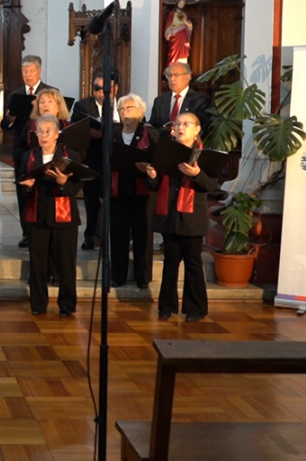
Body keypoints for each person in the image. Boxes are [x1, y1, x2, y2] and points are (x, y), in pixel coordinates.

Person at [139, 112, 216, 322]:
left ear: (197, 129)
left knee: (193, 263)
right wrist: (152, 176)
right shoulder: (165, 151)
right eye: (177, 124)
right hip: (169, 215)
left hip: (192, 217)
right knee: (170, 262)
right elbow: (154, 185)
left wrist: (196, 175)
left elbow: (211, 185)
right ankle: (167, 306)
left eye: (186, 124)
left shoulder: (205, 155)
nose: (180, 127)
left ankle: (195, 309)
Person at [16, 116, 83, 317]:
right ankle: (38, 304)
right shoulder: (28, 157)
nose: (43, 135)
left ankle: (67, 304)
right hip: (37, 216)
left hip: (64, 216)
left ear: (57, 134)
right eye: (40, 131)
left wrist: (64, 183)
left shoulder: (71, 156)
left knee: (66, 264)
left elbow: (77, 187)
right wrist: (28, 188)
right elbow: (22, 187)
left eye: (48, 131)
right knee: (37, 264)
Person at [2, 56, 56, 248]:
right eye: (25, 71)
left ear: (39, 71)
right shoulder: (15, 94)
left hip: (46, 149)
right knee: (23, 192)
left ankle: (48, 228)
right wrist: (10, 119)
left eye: (31, 71)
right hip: (23, 150)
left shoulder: (50, 92)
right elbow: (5, 125)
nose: (28, 74)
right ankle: (27, 232)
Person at [109, 94, 159, 289]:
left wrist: (149, 169)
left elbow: (157, 160)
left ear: (140, 111)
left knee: (142, 233)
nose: (125, 112)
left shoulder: (151, 134)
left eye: (130, 108)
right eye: (122, 109)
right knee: (118, 233)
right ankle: (118, 275)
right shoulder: (113, 133)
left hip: (142, 190)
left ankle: (142, 277)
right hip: (118, 188)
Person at [71, 71, 119, 250]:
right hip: (92, 158)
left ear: (115, 89)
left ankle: (116, 236)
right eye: (97, 88)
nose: (101, 92)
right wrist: (88, 132)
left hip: (115, 158)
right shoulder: (82, 106)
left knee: (115, 200)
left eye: (105, 88)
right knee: (92, 199)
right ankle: (91, 235)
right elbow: (74, 129)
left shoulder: (124, 105)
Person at [149, 62, 212, 132]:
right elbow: (153, 126)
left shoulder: (200, 100)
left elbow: (202, 127)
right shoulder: (159, 100)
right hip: (163, 138)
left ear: (187, 77)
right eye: (169, 75)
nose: (172, 79)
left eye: (176, 75)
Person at [164, 0, 193, 66]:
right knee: (173, 51)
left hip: (184, 36)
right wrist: (169, 30)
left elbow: (190, 26)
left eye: (183, 4)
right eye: (180, 3)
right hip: (175, 36)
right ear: (177, 4)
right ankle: (172, 65)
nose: (181, 5)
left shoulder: (186, 14)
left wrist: (186, 22)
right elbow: (168, 25)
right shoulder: (172, 14)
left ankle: (182, 65)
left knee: (183, 51)